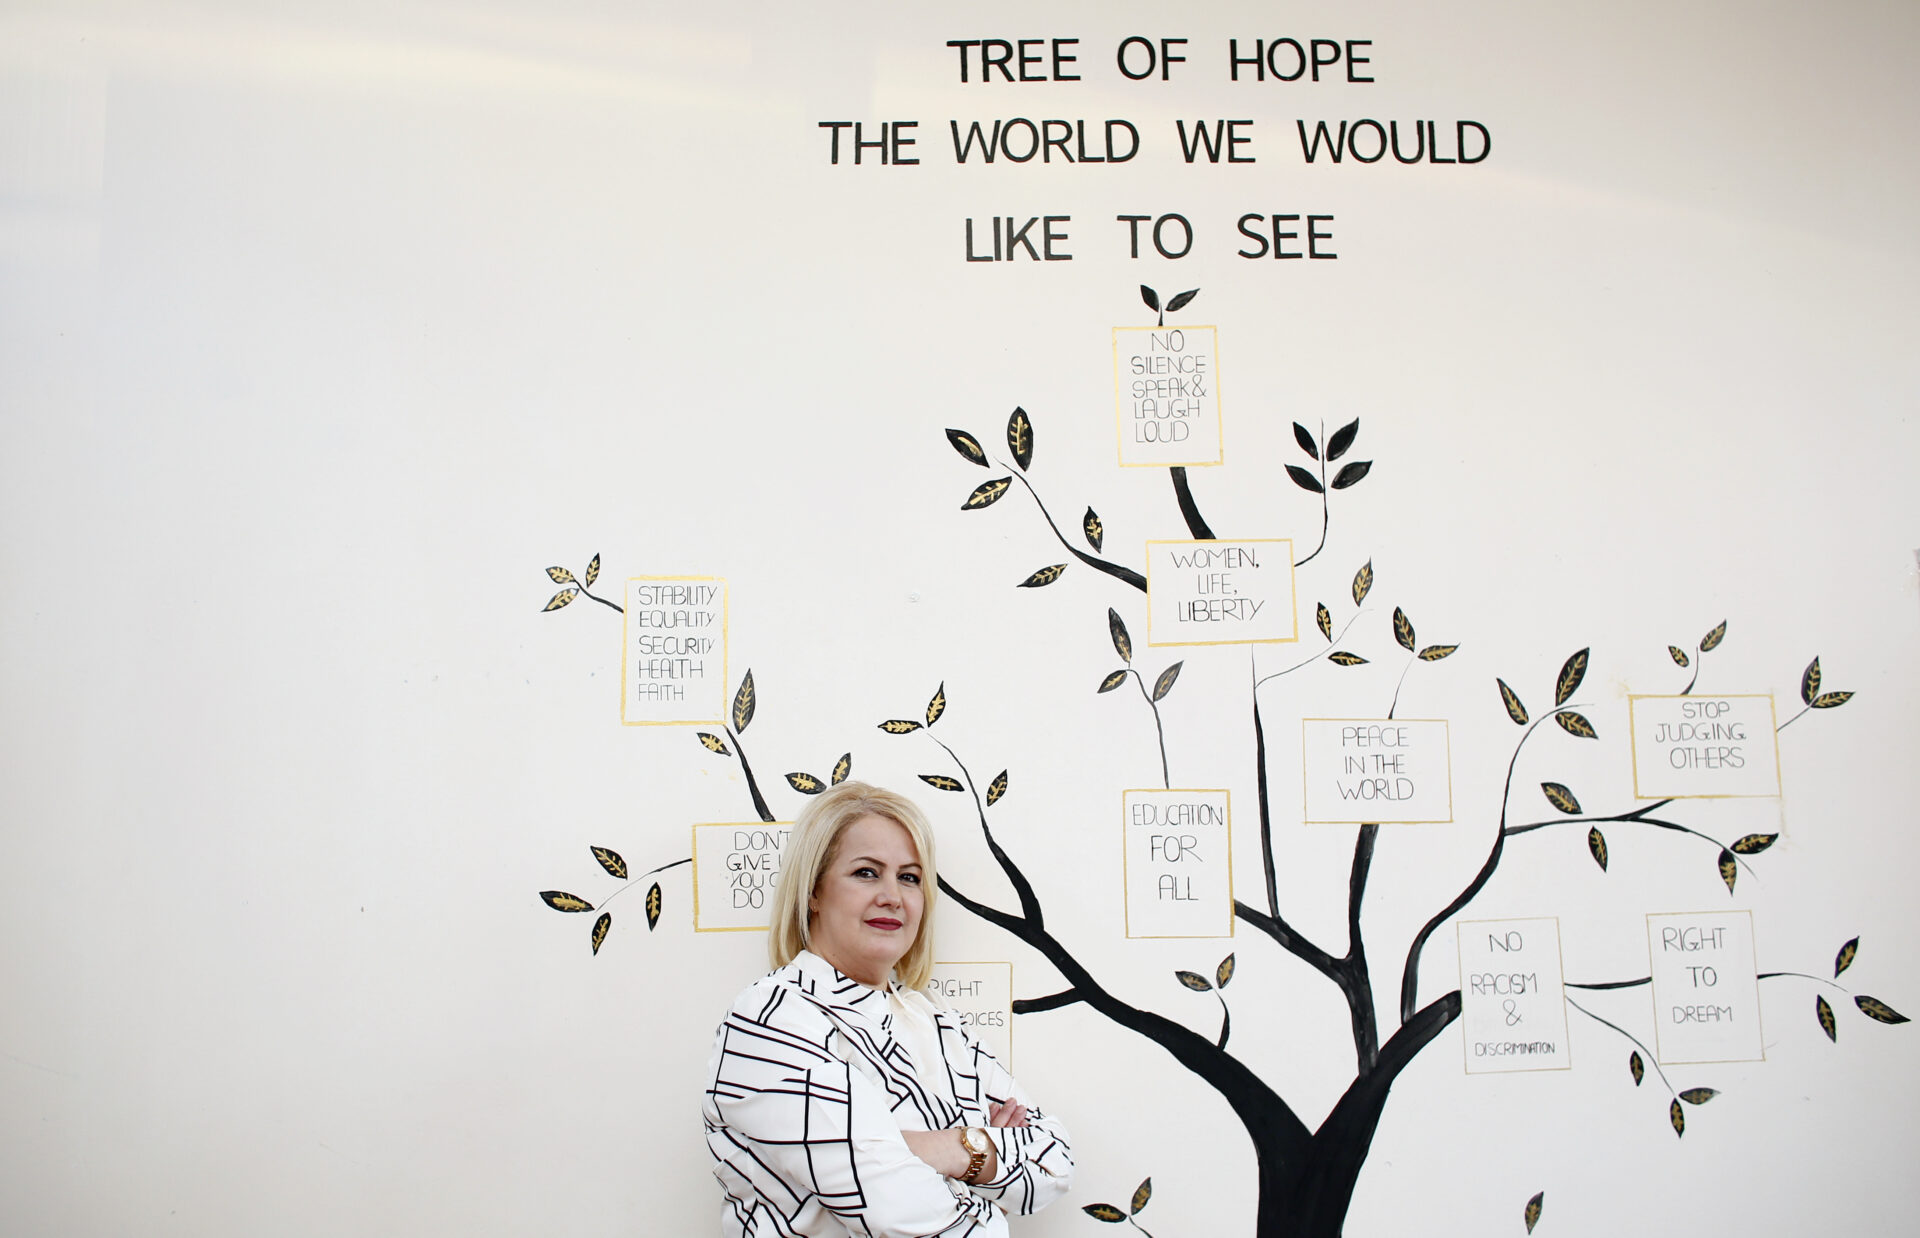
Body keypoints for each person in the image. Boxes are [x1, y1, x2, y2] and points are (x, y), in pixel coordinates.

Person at [703, 781, 1074, 1237]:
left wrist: (941, 1148)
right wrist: (983, 1155)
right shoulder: (769, 1021)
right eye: (866, 872)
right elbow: (898, 1213)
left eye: (910, 877)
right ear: (813, 890)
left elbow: (1053, 1162)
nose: (893, 897)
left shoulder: (934, 1021)